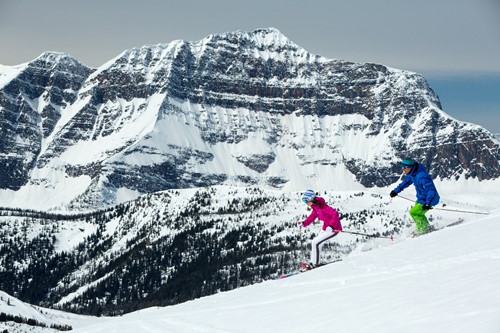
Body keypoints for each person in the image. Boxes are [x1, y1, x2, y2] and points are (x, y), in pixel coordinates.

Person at [390, 158, 440, 234]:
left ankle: (423, 230)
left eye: (405, 167)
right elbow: (405, 183)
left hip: (429, 199)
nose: (403, 169)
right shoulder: (412, 174)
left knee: (414, 212)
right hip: (422, 198)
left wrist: (428, 203)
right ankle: (426, 227)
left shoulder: (421, 176)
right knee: (418, 212)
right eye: (402, 167)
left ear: (410, 167)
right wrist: (395, 191)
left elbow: (431, 190)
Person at [298, 190, 342, 271]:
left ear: (311, 199)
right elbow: (312, 216)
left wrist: (331, 226)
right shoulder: (315, 207)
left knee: (315, 242)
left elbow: (335, 214)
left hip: (333, 229)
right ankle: (313, 262)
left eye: (306, 200)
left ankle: (314, 264)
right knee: (318, 244)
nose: (305, 203)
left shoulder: (323, 206)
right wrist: (304, 223)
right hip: (325, 228)